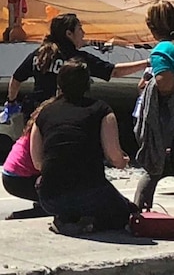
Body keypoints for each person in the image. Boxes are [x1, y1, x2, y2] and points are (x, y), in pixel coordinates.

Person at [30, 58, 134, 235]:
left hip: (50, 197)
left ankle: (67, 218)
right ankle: (91, 224)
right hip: (90, 191)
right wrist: (124, 161)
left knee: (71, 199)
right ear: (88, 84)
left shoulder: (44, 113)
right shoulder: (101, 109)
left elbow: (37, 162)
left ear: (60, 84)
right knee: (125, 213)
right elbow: (114, 156)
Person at [6, 13, 148, 113]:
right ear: (69, 34)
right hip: (62, 115)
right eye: (80, 29)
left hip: (36, 113)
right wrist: (146, 63)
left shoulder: (40, 54)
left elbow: (16, 78)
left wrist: (11, 102)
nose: (84, 33)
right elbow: (114, 71)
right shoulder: (77, 58)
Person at [133, 0, 174, 211]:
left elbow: (164, 84)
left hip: (168, 122)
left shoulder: (163, 49)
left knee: (153, 169)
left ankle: (139, 215)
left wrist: (150, 86)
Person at [2, 99, 53, 220]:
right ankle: (22, 215)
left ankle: (41, 202)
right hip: (18, 178)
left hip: (12, 174)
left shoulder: (33, 127)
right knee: (59, 201)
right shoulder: (42, 130)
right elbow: (41, 164)